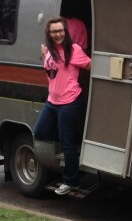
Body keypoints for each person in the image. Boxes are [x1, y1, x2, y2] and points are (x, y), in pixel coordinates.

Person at [32, 17, 91, 195]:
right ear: (49, 34)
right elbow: (51, 68)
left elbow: (90, 65)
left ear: (65, 32)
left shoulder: (74, 50)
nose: (58, 34)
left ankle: (71, 181)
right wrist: (43, 54)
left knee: (67, 145)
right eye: (54, 31)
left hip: (70, 101)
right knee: (40, 132)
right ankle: (72, 140)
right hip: (52, 101)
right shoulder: (49, 50)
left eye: (60, 31)